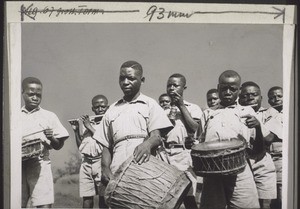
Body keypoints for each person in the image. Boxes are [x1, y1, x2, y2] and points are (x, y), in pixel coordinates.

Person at [96, 61, 173, 189]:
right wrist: (105, 168)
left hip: (144, 168)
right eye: (122, 78)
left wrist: (147, 144)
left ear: (141, 80)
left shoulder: (150, 104)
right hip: (118, 170)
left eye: (131, 78)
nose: (125, 82)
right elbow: (106, 145)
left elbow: (156, 137)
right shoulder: (112, 110)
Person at [197, 70, 260, 209]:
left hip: (240, 170)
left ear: (239, 90)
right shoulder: (208, 113)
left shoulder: (247, 111)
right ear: (218, 88)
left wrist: (258, 128)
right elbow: (199, 144)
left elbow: (259, 149)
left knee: (245, 205)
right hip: (212, 171)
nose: (228, 92)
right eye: (224, 88)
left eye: (232, 89)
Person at [21, 77, 69, 208]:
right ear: (22, 92)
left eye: (38, 95)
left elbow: (58, 145)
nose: (35, 97)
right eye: (31, 94)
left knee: (44, 204)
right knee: (15, 202)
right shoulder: (14, 116)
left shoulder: (49, 116)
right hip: (17, 166)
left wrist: (52, 137)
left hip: (40, 164)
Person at [161, 73, 203, 209]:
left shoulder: (193, 107)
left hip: (183, 153)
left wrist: (181, 106)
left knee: (187, 194)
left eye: (175, 85)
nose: (172, 88)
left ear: (184, 87)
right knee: (166, 196)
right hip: (164, 154)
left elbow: (195, 128)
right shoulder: (161, 110)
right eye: (169, 85)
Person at [239, 81, 277, 209]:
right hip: (241, 160)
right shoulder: (236, 113)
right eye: (245, 96)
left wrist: (258, 125)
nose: (250, 98)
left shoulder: (269, 113)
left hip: (262, 159)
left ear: (261, 98)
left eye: (254, 95)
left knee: (264, 201)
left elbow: (269, 138)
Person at [69, 95, 109, 208]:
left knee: (103, 196)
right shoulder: (87, 123)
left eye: (103, 107)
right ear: (92, 108)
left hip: (101, 162)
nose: (100, 109)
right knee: (87, 197)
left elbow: (104, 141)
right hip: (86, 163)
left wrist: (89, 126)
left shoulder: (108, 123)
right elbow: (81, 146)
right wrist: (76, 131)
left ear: (108, 107)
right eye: (97, 107)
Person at [264, 86, 283, 209]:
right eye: (272, 97)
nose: (276, 99)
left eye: (279, 96)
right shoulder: (267, 113)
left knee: (282, 193)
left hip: (283, 156)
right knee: (271, 195)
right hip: (269, 156)